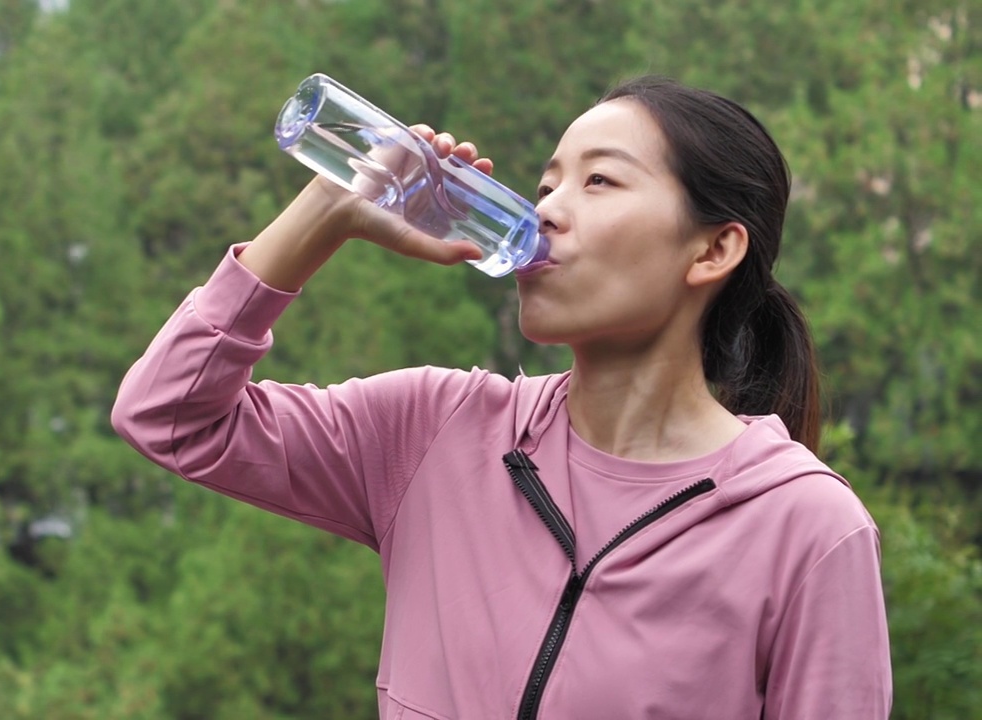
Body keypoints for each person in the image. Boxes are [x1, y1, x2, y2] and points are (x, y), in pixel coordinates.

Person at [111, 76, 893, 719]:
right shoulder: (436, 431)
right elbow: (170, 415)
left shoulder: (805, 529)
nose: (546, 207)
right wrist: (327, 213)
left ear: (714, 248)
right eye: (547, 181)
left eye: (599, 180)